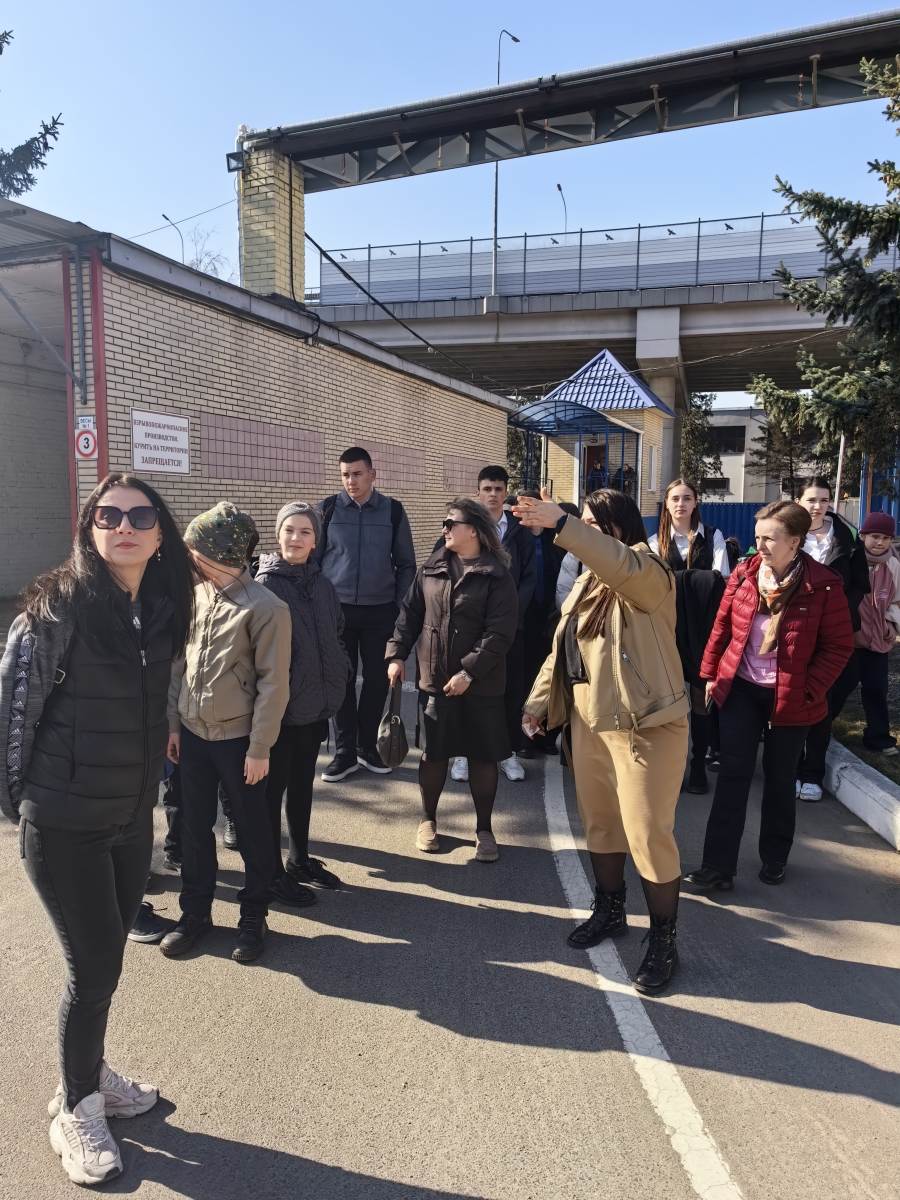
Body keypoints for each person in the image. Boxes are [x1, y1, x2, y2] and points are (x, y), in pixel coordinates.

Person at [0, 473, 196, 1186]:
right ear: (89, 527)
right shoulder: (57, 609)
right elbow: (13, 711)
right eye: (108, 515)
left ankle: (88, 1072)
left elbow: (160, 694)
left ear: (160, 532)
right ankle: (76, 1108)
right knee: (94, 970)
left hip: (129, 818)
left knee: (107, 959)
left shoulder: (162, 606)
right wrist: (20, 807)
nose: (124, 527)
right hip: (64, 823)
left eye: (140, 516)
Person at [517, 488, 689, 996]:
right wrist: (537, 704)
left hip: (645, 727)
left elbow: (620, 565)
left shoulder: (648, 571)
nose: (585, 532)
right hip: (591, 723)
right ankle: (610, 911)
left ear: (618, 526)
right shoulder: (587, 580)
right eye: (583, 524)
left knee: (648, 835)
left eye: (594, 524)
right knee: (601, 825)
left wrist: (564, 525)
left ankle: (664, 941)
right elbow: (563, 650)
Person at [685, 501, 853, 893]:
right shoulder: (744, 574)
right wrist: (710, 674)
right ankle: (717, 867)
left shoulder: (824, 585)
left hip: (792, 697)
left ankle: (775, 857)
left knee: (779, 779)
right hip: (742, 690)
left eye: (769, 539)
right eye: (757, 537)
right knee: (733, 775)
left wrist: (809, 688)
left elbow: (839, 647)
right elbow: (722, 627)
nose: (759, 546)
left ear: (795, 542)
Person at [161, 502, 291, 965]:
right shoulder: (197, 596)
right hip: (193, 736)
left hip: (240, 744)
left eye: (195, 551)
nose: (190, 558)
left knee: (253, 832)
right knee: (194, 829)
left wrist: (259, 748)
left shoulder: (267, 608)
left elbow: (274, 685)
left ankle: (254, 917)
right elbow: (180, 664)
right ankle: (195, 914)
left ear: (219, 554)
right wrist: (174, 724)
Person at [386, 498, 517, 862]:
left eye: (450, 523)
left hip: (482, 685)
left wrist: (469, 672)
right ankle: (428, 820)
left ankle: (484, 830)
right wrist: (396, 654)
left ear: (473, 530)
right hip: (436, 681)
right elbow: (409, 614)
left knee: (482, 758)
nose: (444, 528)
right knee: (434, 755)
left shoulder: (496, 575)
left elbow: (500, 633)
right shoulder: (432, 567)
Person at [256, 502, 351, 894]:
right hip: (280, 713)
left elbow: (337, 632)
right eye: (289, 530)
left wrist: (340, 669)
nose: (296, 538)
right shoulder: (265, 586)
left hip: (315, 707)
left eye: (305, 532)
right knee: (270, 794)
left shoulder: (322, 584)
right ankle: (270, 873)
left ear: (315, 541)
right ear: (278, 535)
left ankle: (299, 859)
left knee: (301, 786)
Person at [316, 447, 416, 782]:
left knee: (377, 680)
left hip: (380, 612)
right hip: (338, 612)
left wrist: (398, 606)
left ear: (373, 474)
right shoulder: (327, 509)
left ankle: (367, 746)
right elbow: (315, 562)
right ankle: (345, 752)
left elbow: (406, 564)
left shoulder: (393, 511)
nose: (351, 481)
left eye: (357, 474)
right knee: (341, 681)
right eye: (345, 475)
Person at [450, 465, 535, 783]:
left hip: (509, 629)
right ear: (478, 492)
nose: (493, 495)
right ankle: (462, 752)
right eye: (487, 489)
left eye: (499, 489)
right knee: (466, 688)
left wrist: (511, 615)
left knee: (509, 692)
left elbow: (529, 577)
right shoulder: (462, 527)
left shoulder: (519, 530)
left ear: (506, 492)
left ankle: (506, 752)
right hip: (469, 628)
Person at [648, 478, 729, 795]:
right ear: (666, 504)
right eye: (675, 499)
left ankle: (698, 766)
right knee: (668, 700)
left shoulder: (713, 537)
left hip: (704, 629)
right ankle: (671, 769)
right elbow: (653, 586)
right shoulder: (655, 542)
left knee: (700, 699)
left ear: (696, 503)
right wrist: (695, 580)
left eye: (687, 498)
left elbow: (721, 580)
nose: (681, 504)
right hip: (668, 629)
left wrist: (679, 580)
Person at [794, 477, 869, 802]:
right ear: (798, 501)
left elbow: (860, 583)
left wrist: (838, 612)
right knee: (794, 700)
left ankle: (812, 773)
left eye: (824, 500)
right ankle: (791, 768)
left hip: (835, 631)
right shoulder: (787, 532)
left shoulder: (847, 536)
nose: (817, 506)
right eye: (811, 499)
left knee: (826, 699)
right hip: (795, 630)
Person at [516, 489, 566, 757]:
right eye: (524, 508)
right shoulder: (516, 538)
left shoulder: (555, 539)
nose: (530, 512)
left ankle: (546, 736)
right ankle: (524, 739)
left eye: (533, 506)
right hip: (523, 619)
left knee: (550, 680)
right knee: (524, 679)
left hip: (551, 617)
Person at [852, 512, 900, 756]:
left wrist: (891, 623)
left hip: (877, 641)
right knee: (836, 691)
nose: (880, 542)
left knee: (876, 689)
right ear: (863, 536)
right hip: (849, 641)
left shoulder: (894, 565)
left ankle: (878, 738)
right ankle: (819, 732)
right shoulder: (851, 559)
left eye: (886, 538)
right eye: (875, 536)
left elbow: (896, 600)